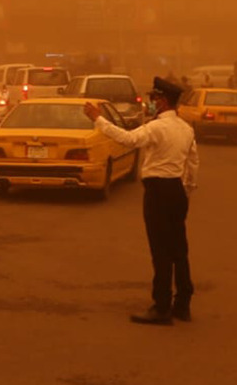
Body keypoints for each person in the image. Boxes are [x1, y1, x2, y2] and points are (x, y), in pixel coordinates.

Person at [84, 77, 199, 325]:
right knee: (179, 249)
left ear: (164, 100)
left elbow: (128, 139)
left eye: (155, 98)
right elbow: (193, 164)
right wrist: (186, 192)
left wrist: (98, 119)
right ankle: (183, 304)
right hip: (177, 190)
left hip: (158, 190)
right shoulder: (186, 129)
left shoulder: (157, 127)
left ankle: (161, 307)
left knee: (160, 251)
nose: (152, 103)